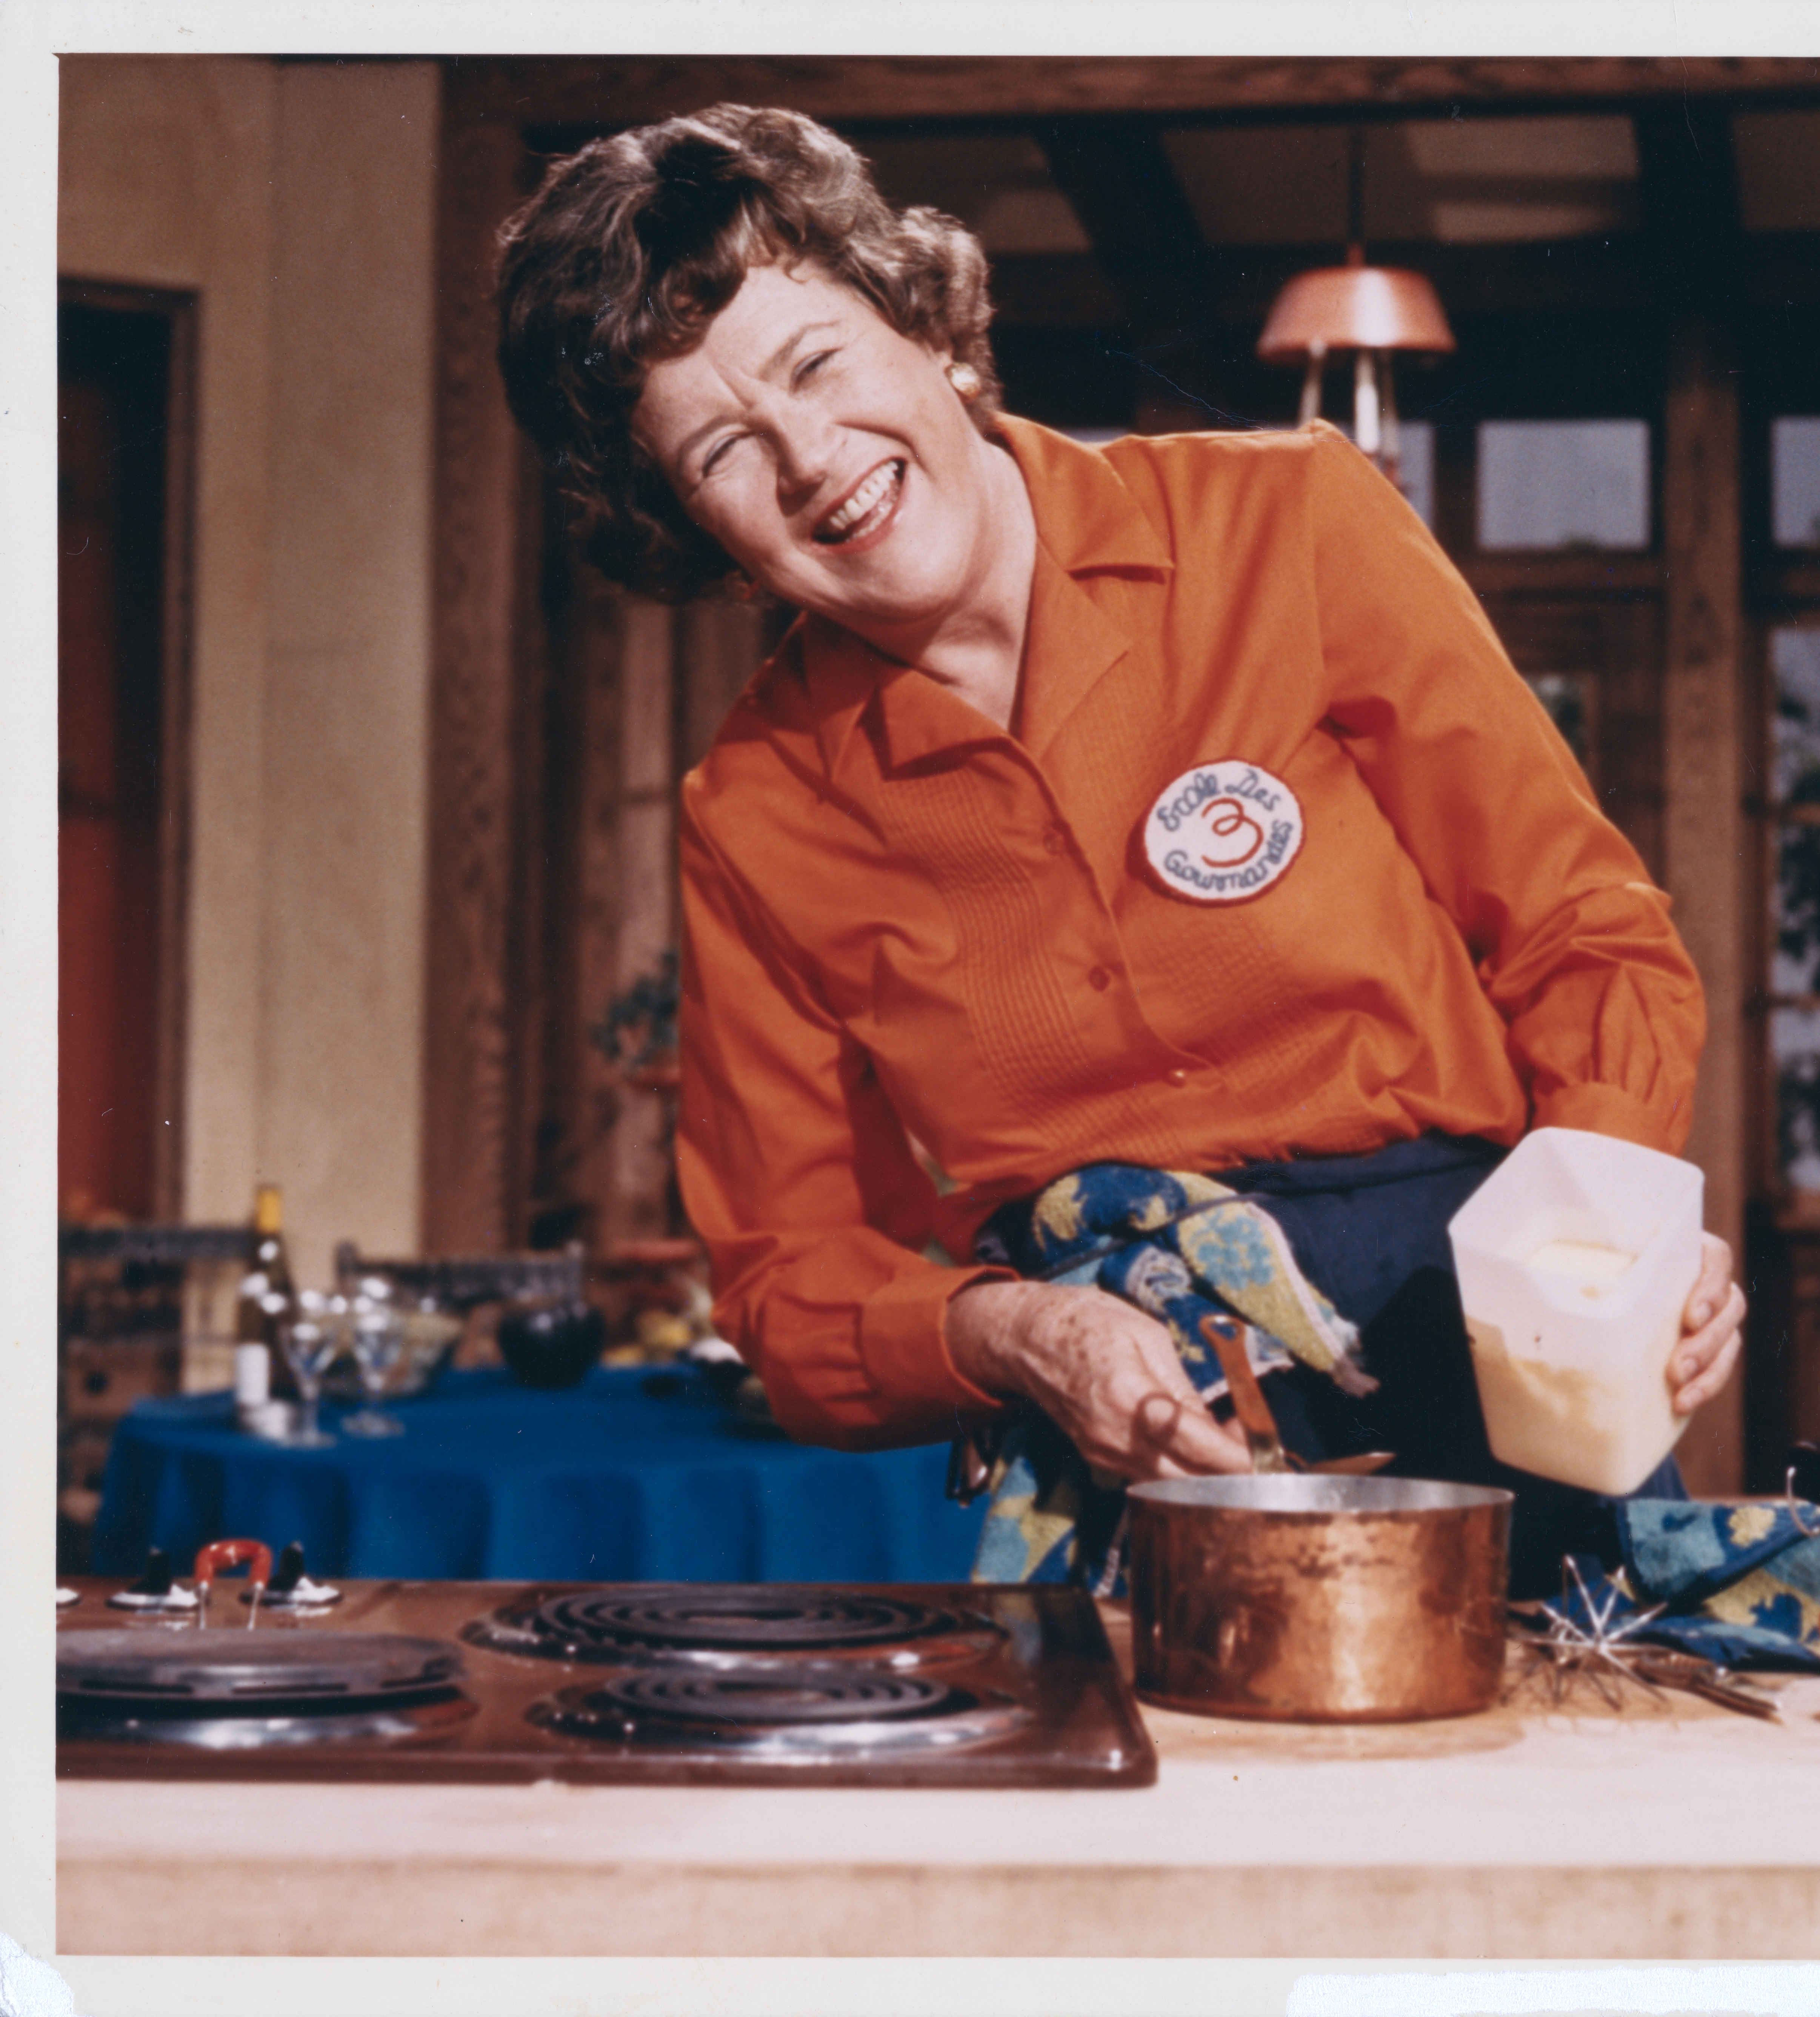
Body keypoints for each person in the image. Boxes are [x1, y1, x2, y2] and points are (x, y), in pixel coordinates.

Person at [495, 104, 1746, 1590]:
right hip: (1125, 1424)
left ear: (928, 332)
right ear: (694, 529)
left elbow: (1578, 929)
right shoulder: (753, 815)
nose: (811, 460)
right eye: (720, 452)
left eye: (817, 363)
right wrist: (1023, 1333)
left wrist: (1604, 1234)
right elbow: (788, 1278)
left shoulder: (1294, 522)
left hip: (1487, 1328)